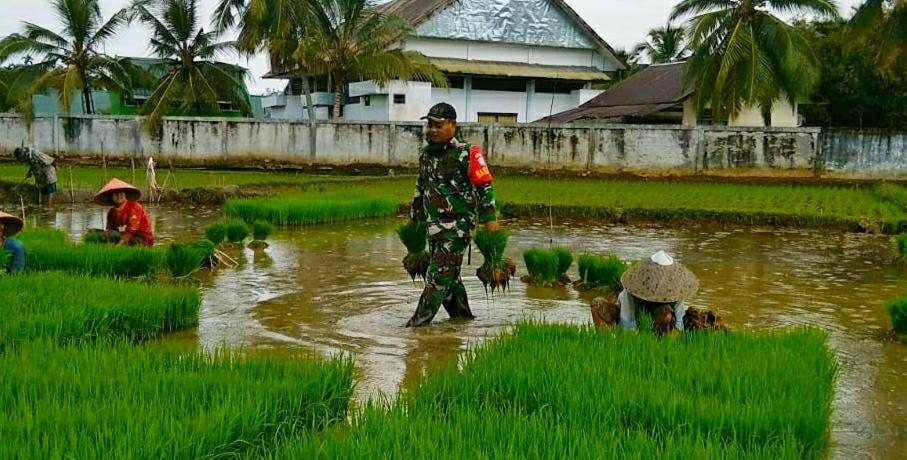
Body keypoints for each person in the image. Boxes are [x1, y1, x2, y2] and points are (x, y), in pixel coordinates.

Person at [406, 103, 500, 327]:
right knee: (450, 279)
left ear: (453, 125)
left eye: (439, 125)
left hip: (456, 230)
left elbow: (485, 191)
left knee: (437, 278)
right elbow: (421, 189)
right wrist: (414, 224)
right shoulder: (426, 155)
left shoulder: (468, 153)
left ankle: (416, 327)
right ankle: (462, 320)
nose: (433, 130)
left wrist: (492, 233)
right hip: (433, 229)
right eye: (430, 125)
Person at [616, 250, 699, 335]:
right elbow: (627, 324)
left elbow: (679, 324)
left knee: (666, 313)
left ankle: (659, 334)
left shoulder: (674, 293)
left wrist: (674, 336)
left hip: (658, 321)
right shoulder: (631, 291)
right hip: (637, 319)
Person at [93, 178, 155, 247]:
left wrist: (118, 246)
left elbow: (131, 231)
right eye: (115, 194)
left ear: (125, 194)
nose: (119, 196)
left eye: (121, 193)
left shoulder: (135, 207)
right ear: (111, 197)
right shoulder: (111, 212)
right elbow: (109, 229)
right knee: (93, 232)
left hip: (141, 240)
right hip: (122, 235)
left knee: (111, 234)